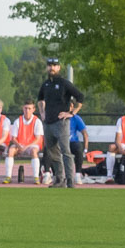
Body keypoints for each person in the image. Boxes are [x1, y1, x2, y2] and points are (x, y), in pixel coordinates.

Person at [36, 57, 84, 188]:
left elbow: (80, 97)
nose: (52, 68)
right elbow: (40, 99)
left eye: (54, 65)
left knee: (65, 151)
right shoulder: (46, 84)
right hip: (48, 123)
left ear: (59, 68)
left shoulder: (64, 83)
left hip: (61, 122)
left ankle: (70, 180)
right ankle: (60, 179)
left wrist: (72, 113)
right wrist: (42, 113)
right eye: (50, 65)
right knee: (52, 152)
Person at [6, 101, 44, 184]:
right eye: (25, 108)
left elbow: (38, 139)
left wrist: (26, 147)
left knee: (34, 151)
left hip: (32, 145)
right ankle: (8, 176)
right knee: (11, 150)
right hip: (20, 144)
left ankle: (36, 177)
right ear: (23, 108)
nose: (27, 111)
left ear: (33, 109)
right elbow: (13, 138)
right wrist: (19, 146)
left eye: (29, 108)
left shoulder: (37, 121)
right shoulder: (18, 121)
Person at [105, 101, 125, 183]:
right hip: (124, 145)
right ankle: (109, 176)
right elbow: (118, 139)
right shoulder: (121, 120)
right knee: (112, 147)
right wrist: (121, 149)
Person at [67, 110, 88, 185]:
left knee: (78, 148)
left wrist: (85, 149)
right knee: (50, 149)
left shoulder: (76, 118)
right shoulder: (58, 116)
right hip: (60, 142)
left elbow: (85, 134)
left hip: (72, 142)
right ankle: (51, 174)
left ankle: (78, 174)